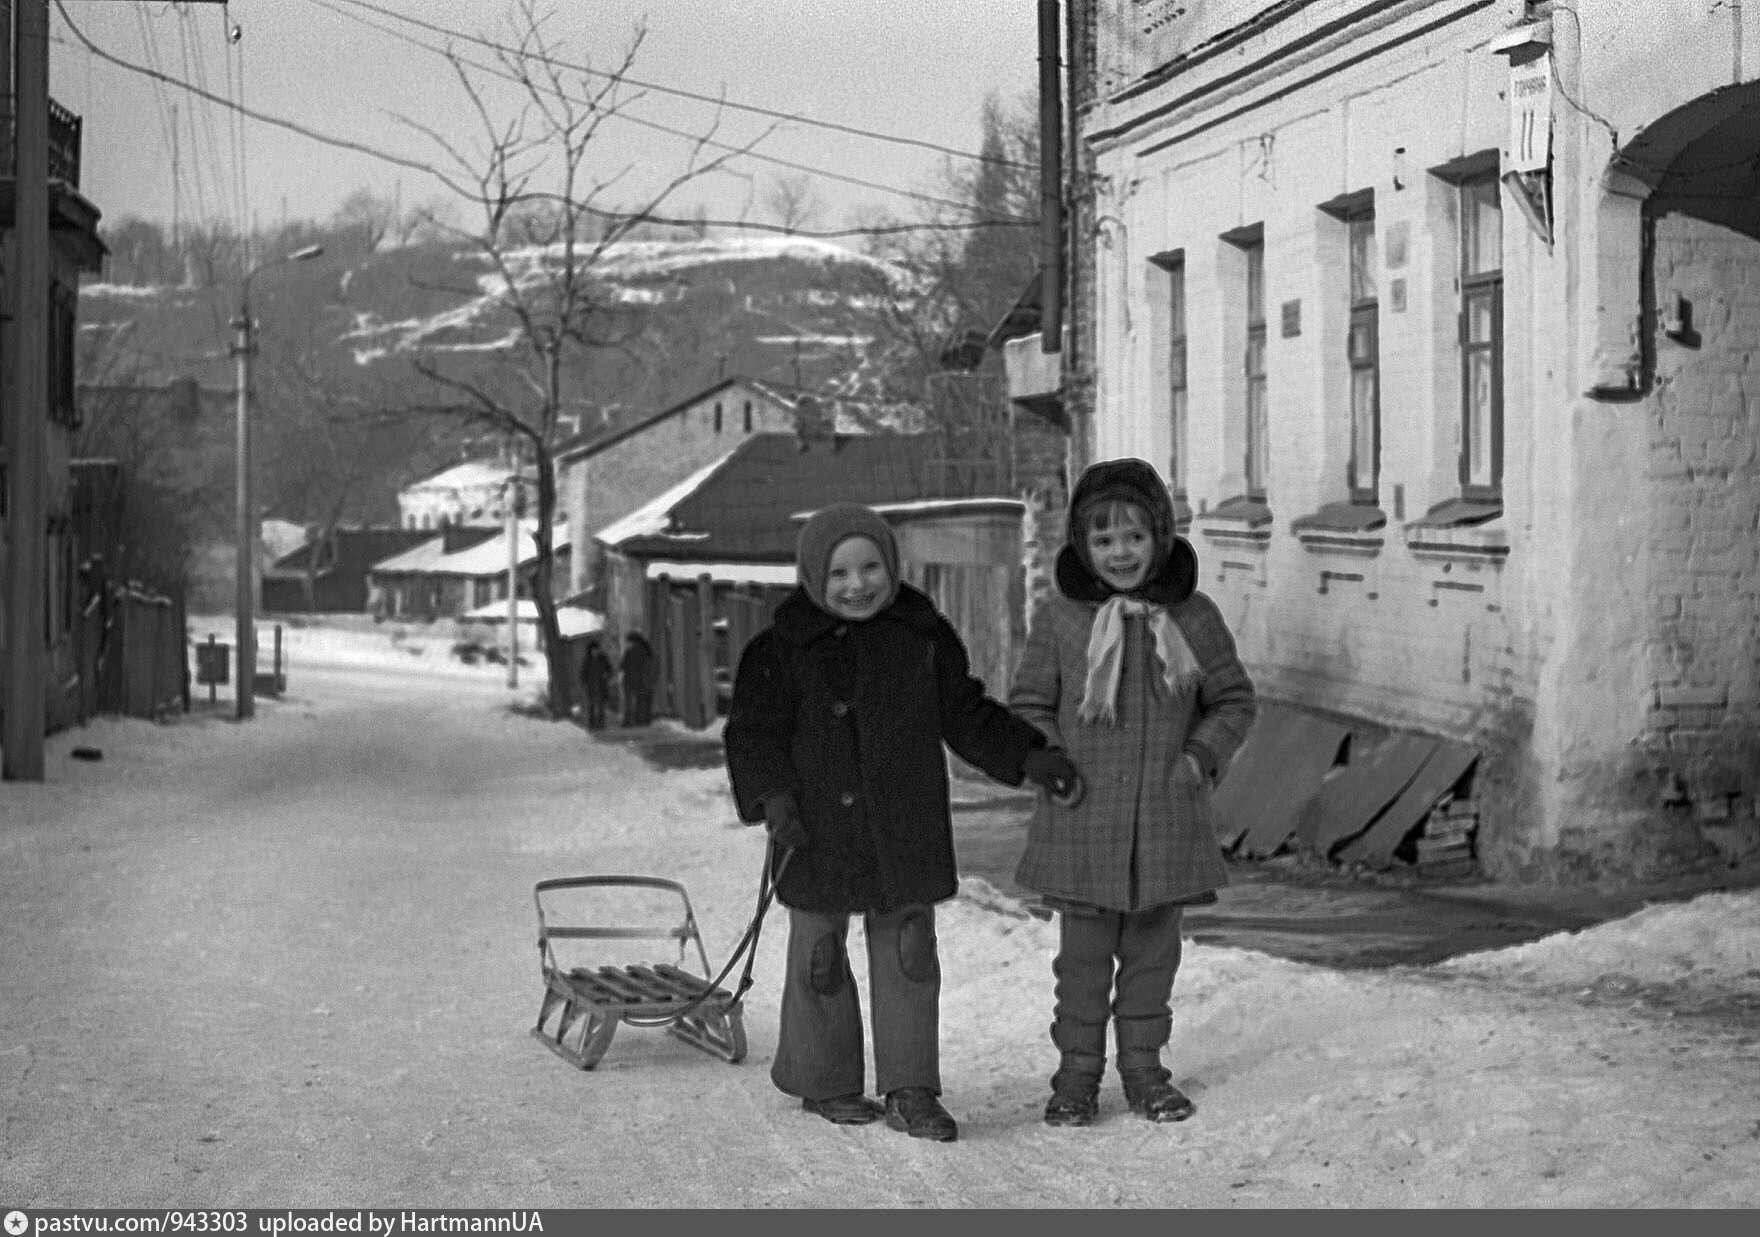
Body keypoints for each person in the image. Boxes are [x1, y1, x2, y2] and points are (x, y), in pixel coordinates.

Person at [723, 503, 1080, 1143]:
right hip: (813, 830)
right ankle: (824, 1078)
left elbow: (966, 713)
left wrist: (1027, 755)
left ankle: (911, 1087)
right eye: (839, 574)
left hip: (904, 824)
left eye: (870, 569)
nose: (857, 585)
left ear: (891, 567)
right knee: (820, 955)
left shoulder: (921, 636)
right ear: (812, 576)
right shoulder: (778, 649)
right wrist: (773, 797)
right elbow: (753, 734)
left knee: (910, 954)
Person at [1008, 458, 1257, 1128]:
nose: (1120, 551)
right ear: (1081, 546)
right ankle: (1076, 1079)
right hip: (1082, 818)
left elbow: (1231, 700)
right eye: (1103, 538)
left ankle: (1145, 1072)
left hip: (1166, 823)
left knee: (1152, 960)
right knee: (1083, 967)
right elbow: (1028, 702)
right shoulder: (1061, 620)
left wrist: (1198, 758)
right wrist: (1049, 758)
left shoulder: (1193, 618)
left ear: (1162, 538)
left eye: (1134, 536)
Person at [619, 632, 654, 726]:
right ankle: (642, 719)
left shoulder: (629, 651)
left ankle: (628, 721)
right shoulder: (645, 650)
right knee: (641, 700)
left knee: (629, 701)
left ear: (632, 641)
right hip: (642, 679)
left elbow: (622, 665)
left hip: (629, 679)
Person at [579, 637, 613, 730]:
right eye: (593, 650)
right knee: (592, 705)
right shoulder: (587, 660)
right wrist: (584, 683)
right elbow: (583, 673)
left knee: (601, 705)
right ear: (590, 650)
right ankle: (592, 723)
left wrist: (607, 675)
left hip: (601, 685)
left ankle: (601, 723)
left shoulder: (603, 659)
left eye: (596, 649)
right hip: (591, 685)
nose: (595, 651)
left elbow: (609, 669)